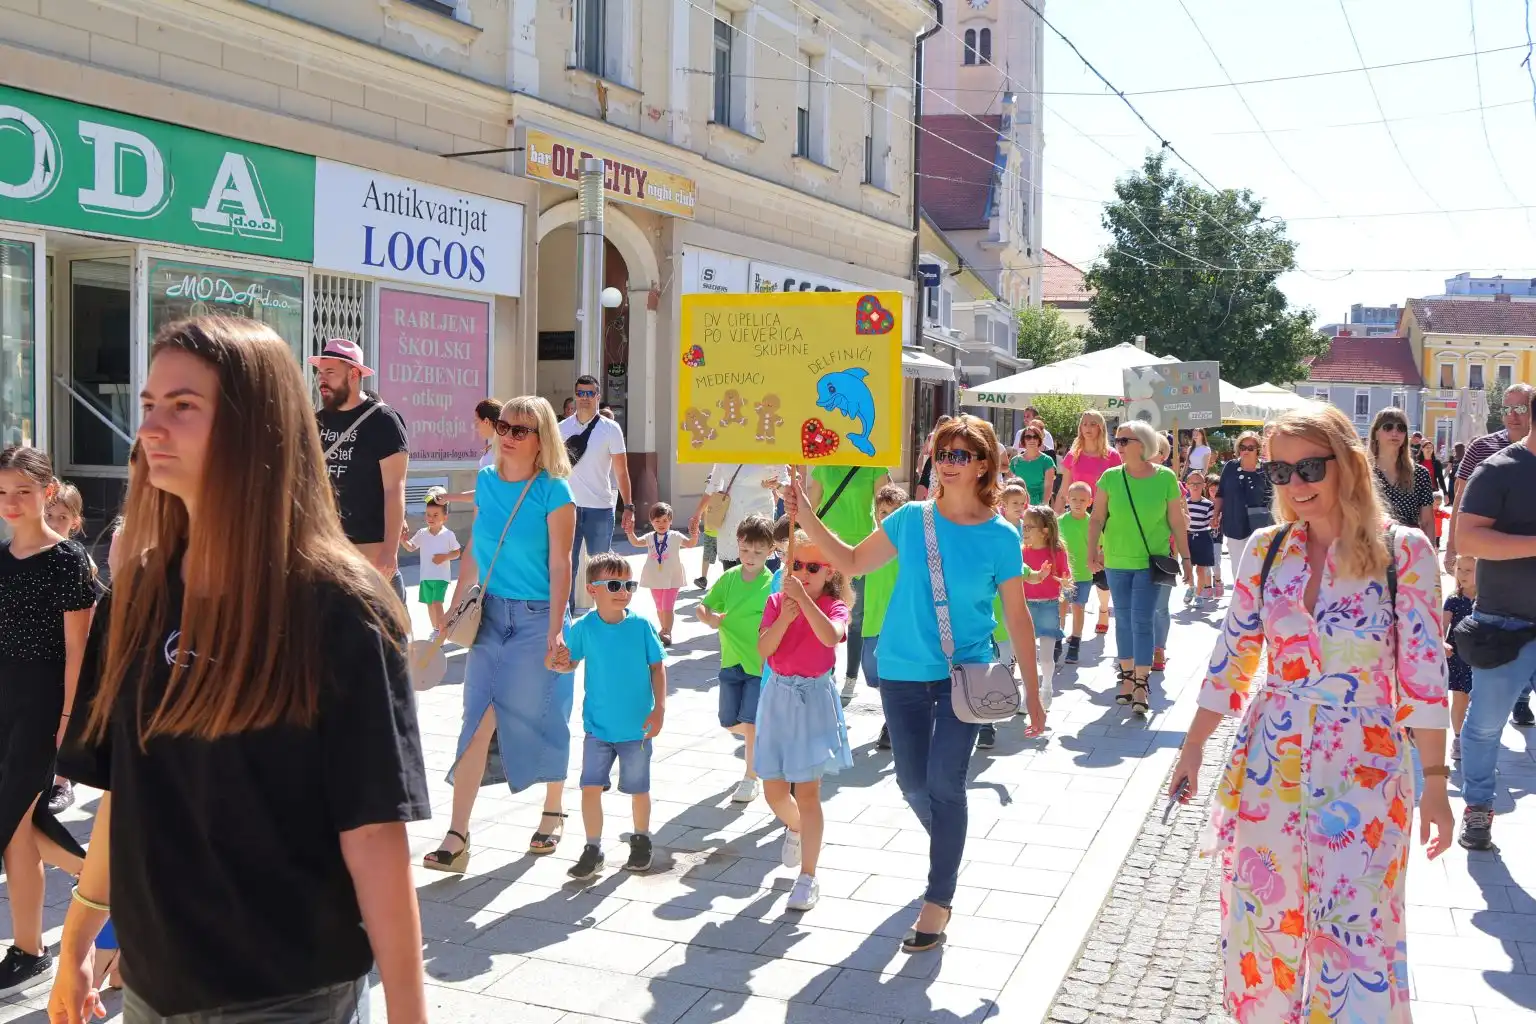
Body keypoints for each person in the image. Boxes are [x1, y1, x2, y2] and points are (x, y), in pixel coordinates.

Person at [52, 317, 431, 1024]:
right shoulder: (135, 593)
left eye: (183, 406)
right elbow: (126, 790)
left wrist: (410, 1016)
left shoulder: (339, 608)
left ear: (254, 426)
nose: (151, 429)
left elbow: (376, 835)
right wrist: (76, 938)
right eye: (149, 405)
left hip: (288, 995)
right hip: (152, 988)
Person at [1169, 405, 1452, 1023]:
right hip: (1271, 761)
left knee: (1359, 929)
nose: (1297, 484)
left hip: (1367, 767)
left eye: (1310, 466)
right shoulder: (1268, 550)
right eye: (1280, 471)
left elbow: (1426, 678)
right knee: (1264, 925)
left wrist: (1436, 784)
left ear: (1347, 462)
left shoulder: (1404, 552)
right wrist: (1192, 746)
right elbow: (1232, 658)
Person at [784, 414, 1045, 953]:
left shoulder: (1001, 536)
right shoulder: (909, 519)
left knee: (946, 785)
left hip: (963, 675)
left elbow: (1017, 617)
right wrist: (805, 515)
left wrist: (1035, 696)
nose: (948, 464)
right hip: (902, 672)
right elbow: (853, 561)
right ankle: (948, 843)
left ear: (984, 465)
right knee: (911, 783)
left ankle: (938, 897)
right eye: (942, 454)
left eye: (960, 455)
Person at [425, 396, 576, 869]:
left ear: (541, 440)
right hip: (490, 617)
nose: (507, 436)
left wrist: (556, 629)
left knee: (543, 713)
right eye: (504, 427)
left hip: (537, 619)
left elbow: (560, 562)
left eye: (520, 430)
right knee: (477, 719)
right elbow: (475, 547)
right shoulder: (487, 483)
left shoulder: (556, 491)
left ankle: (553, 809)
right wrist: (454, 607)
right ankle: (457, 835)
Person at [0, 446, 93, 995]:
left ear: (48, 492)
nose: (11, 503)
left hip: (42, 703)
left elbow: (78, 648)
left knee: (14, 819)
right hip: (3, 698)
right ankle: (31, 948)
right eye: (3, 493)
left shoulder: (67, 559)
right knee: (21, 826)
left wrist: (66, 717)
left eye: (23, 492)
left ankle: (102, 886)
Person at [754, 529, 857, 913]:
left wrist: (806, 605)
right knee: (774, 791)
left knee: (808, 793)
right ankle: (795, 827)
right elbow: (764, 648)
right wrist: (785, 615)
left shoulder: (834, 606)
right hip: (778, 696)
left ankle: (808, 878)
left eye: (813, 567)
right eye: (797, 565)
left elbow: (831, 637)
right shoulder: (777, 601)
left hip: (813, 699)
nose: (803, 573)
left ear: (829, 572)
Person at [549, 552, 666, 880]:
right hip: (597, 728)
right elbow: (569, 662)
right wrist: (557, 662)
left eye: (628, 584)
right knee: (589, 787)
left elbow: (657, 667)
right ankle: (593, 848)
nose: (623, 591)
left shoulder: (641, 626)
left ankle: (641, 839)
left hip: (637, 728)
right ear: (593, 590)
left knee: (638, 788)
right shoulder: (585, 628)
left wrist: (659, 710)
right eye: (614, 584)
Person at [1450, 409, 1536, 850]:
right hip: (1506, 624)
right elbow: (1469, 539)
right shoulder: (1500, 469)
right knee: (1484, 726)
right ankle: (1479, 806)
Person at [1446, 382, 1534, 725]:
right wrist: (1453, 551)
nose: (1512, 415)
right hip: (1488, 568)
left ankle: (1521, 697)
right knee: (1495, 638)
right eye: (1507, 408)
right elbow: (1459, 501)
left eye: (1521, 408)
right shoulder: (1484, 448)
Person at [1089, 420, 1192, 715]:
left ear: (1142, 444)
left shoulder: (1166, 478)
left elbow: (1176, 522)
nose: (1117, 446)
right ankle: (1126, 677)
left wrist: (1186, 558)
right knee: (1122, 619)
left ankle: (1141, 683)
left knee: (1142, 621)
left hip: (1150, 562)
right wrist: (1091, 552)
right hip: (1117, 561)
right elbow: (1096, 518)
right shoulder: (1110, 477)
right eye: (1117, 440)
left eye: (1123, 441)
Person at [312, 337, 410, 605]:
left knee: (385, 643)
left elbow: (394, 488)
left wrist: (390, 551)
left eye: (330, 372)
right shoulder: (316, 422)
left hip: (372, 560)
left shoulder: (383, 421)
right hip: (328, 557)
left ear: (354, 374)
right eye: (320, 372)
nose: (322, 380)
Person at [696, 515, 776, 803]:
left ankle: (750, 777)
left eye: (758, 552)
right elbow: (702, 607)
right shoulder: (729, 578)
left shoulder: (773, 583)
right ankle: (764, 739)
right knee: (729, 721)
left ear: (771, 551)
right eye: (745, 550)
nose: (750, 557)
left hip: (760, 665)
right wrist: (710, 620)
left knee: (751, 723)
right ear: (737, 545)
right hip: (731, 662)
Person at [806, 465, 891, 691]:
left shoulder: (874, 464)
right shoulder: (824, 465)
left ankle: (851, 677)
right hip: (826, 549)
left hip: (860, 552)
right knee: (824, 612)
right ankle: (826, 673)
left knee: (855, 619)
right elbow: (811, 507)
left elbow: (886, 507)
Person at [559, 374, 633, 614]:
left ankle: (605, 614)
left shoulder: (610, 429)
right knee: (566, 565)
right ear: (575, 396)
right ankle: (565, 617)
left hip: (600, 508)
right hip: (567, 507)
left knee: (601, 567)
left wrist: (629, 506)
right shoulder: (562, 428)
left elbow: (621, 472)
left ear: (598, 397)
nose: (585, 398)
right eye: (580, 393)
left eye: (590, 393)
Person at [43, 480, 94, 815]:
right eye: (49, 514)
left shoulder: (77, 560)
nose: (54, 522)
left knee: (67, 715)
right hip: (38, 652)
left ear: (75, 522)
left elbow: (82, 621)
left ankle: (62, 780)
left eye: (62, 517)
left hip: (68, 650)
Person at [1054, 410, 1121, 637]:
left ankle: (1103, 609)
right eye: (1084, 424)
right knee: (1075, 563)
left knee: (1102, 570)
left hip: (1104, 514)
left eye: (1093, 423)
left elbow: (1118, 490)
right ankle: (1073, 621)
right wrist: (1056, 514)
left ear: (1101, 427)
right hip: (1076, 512)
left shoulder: (1112, 456)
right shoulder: (1074, 455)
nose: (1088, 427)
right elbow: (1065, 488)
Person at [980, 482, 1033, 750]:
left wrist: (1033, 575)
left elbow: (1014, 566)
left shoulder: (1006, 532)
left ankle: (986, 726)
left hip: (999, 611)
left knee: (995, 663)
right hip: (972, 615)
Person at [861, 485, 909, 750]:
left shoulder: (909, 544)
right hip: (872, 621)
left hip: (900, 623)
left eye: (893, 512)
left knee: (894, 676)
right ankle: (896, 715)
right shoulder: (871, 541)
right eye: (883, 511)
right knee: (873, 674)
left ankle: (892, 724)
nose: (887, 516)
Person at [625, 502, 698, 645]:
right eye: (657, 521)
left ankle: (667, 631)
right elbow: (636, 542)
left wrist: (694, 535)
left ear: (670, 521)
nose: (661, 524)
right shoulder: (650, 537)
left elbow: (690, 544)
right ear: (651, 522)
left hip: (672, 577)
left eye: (665, 520)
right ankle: (663, 629)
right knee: (659, 606)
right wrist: (629, 532)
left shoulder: (675, 536)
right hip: (655, 577)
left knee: (667, 605)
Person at [691, 462, 782, 572]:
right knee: (730, 567)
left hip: (757, 520)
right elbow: (713, 486)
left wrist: (780, 485)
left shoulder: (768, 449)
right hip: (729, 517)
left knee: (753, 566)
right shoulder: (723, 453)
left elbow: (784, 480)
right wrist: (697, 514)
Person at [1020, 505, 1067, 715]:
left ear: (1045, 530)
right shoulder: (1021, 552)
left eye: (1030, 526)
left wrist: (1064, 581)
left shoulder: (1057, 552)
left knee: (1045, 657)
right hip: (1026, 605)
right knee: (1025, 656)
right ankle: (1027, 696)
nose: (1025, 530)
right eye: (1024, 526)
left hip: (1048, 605)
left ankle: (1046, 685)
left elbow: (1065, 576)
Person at [399, 488, 460, 639]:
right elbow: (411, 547)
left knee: (436, 602)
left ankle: (441, 630)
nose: (430, 518)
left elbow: (457, 552)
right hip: (426, 576)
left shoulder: (448, 535)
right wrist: (402, 540)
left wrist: (444, 557)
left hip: (441, 577)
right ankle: (435, 628)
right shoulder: (422, 533)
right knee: (429, 604)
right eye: (428, 515)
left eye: (435, 515)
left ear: (445, 517)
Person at [1213, 430, 1273, 584]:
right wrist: (1215, 515)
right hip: (1234, 523)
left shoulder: (1265, 470)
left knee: (1259, 568)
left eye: (1250, 448)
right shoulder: (1230, 467)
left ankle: (1259, 604)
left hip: (1260, 527)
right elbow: (1221, 493)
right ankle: (1241, 604)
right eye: (1243, 447)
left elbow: (1274, 498)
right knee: (1238, 568)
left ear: (1258, 450)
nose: (1246, 451)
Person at [1368, 408, 1433, 535]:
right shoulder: (1363, 473)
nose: (1395, 432)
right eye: (1388, 427)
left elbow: (1427, 522)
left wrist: (1430, 553)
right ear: (1376, 433)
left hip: (1409, 548)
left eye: (1401, 428)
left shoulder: (1420, 474)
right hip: (1372, 548)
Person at [1057, 480, 1097, 665]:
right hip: (1063, 575)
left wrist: (1098, 561)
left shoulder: (1092, 523)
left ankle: (1075, 642)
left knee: (1078, 607)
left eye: (1082, 499)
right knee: (1061, 606)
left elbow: (1099, 546)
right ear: (1067, 499)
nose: (1078, 503)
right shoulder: (1060, 522)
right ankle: (1058, 639)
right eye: (1074, 499)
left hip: (1083, 574)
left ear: (1090, 501)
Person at [1444, 555, 1476, 762]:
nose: (1462, 574)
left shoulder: (1487, 600)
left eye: (1468, 570)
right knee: (1460, 698)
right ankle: (1457, 738)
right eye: (1460, 569)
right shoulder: (1454, 599)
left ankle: (1474, 737)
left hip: (1481, 657)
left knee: (1478, 699)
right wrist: (1442, 643)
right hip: (1457, 656)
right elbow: (1442, 626)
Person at [1184, 469, 1217, 608]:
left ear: (1204, 485)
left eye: (1198, 483)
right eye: (1192, 483)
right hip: (1188, 537)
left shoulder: (1208, 504)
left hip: (1203, 537)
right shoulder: (1184, 503)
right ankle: (1191, 587)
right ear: (1187, 485)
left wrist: (1215, 521)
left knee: (1200, 569)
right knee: (1188, 567)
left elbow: (1211, 522)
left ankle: (1198, 594)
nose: (1195, 486)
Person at [1009, 427, 1056, 506]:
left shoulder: (1047, 460)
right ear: (1023, 440)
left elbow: (1048, 486)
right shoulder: (1015, 461)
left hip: (1038, 506)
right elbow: (1009, 483)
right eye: (1028, 437)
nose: (1032, 440)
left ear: (1039, 440)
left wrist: (1044, 505)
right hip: (1019, 505)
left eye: (1035, 437)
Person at [914, 415, 954, 501]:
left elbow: (922, 453)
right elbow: (923, 453)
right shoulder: (932, 437)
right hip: (932, 464)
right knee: (931, 487)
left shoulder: (952, 437)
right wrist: (920, 468)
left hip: (938, 464)